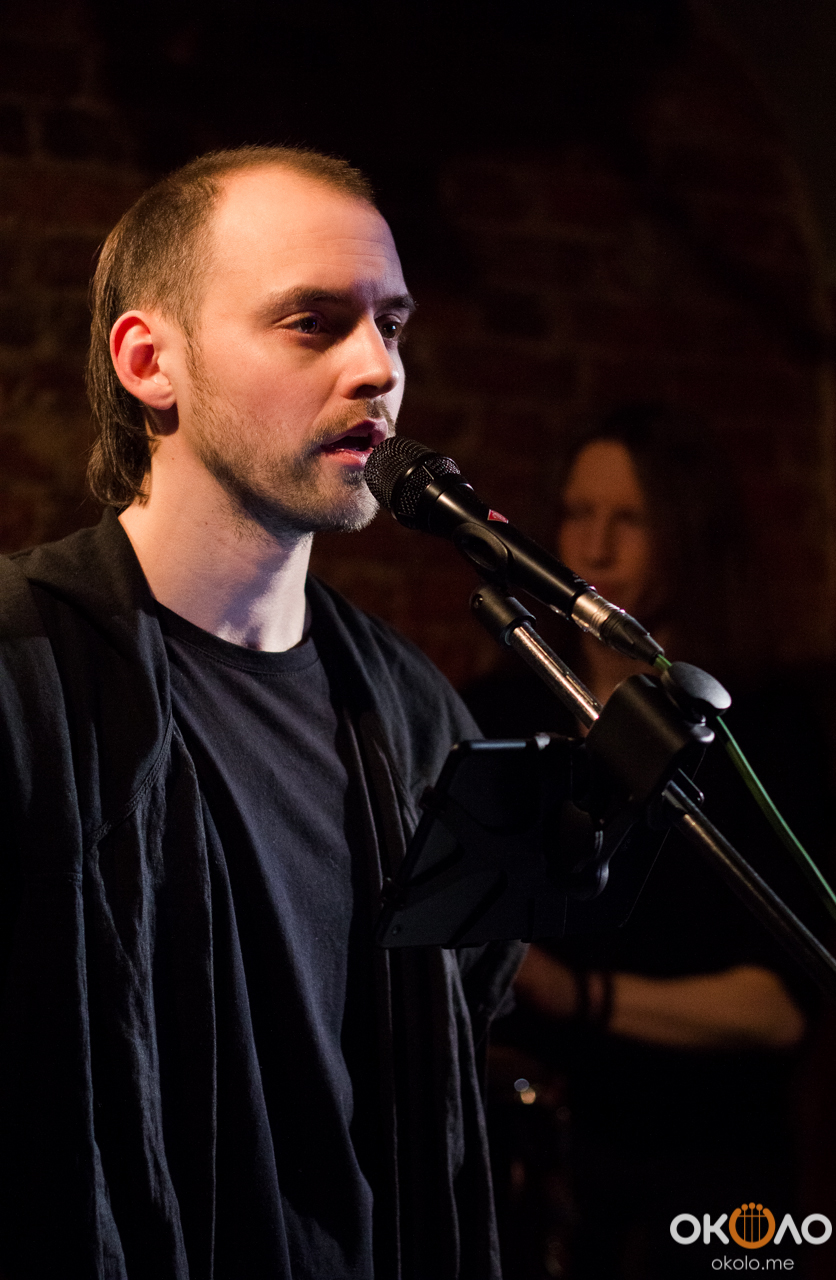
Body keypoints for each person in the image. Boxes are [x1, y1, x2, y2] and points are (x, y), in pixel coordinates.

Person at [0, 146, 523, 1280]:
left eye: (390, 325)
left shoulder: (412, 712)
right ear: (150, 362)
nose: (377, 368)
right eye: (311, 323)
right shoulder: (23, 667)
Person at [464, 406, 830, 1279]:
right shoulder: (501, 710)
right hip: (540, 1163)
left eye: (627, 519)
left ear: (687, 535)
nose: (592, 546)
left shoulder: (760, 729)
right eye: (577, 514)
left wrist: (578, 995)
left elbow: (780, 1008)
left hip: (708, 1163)